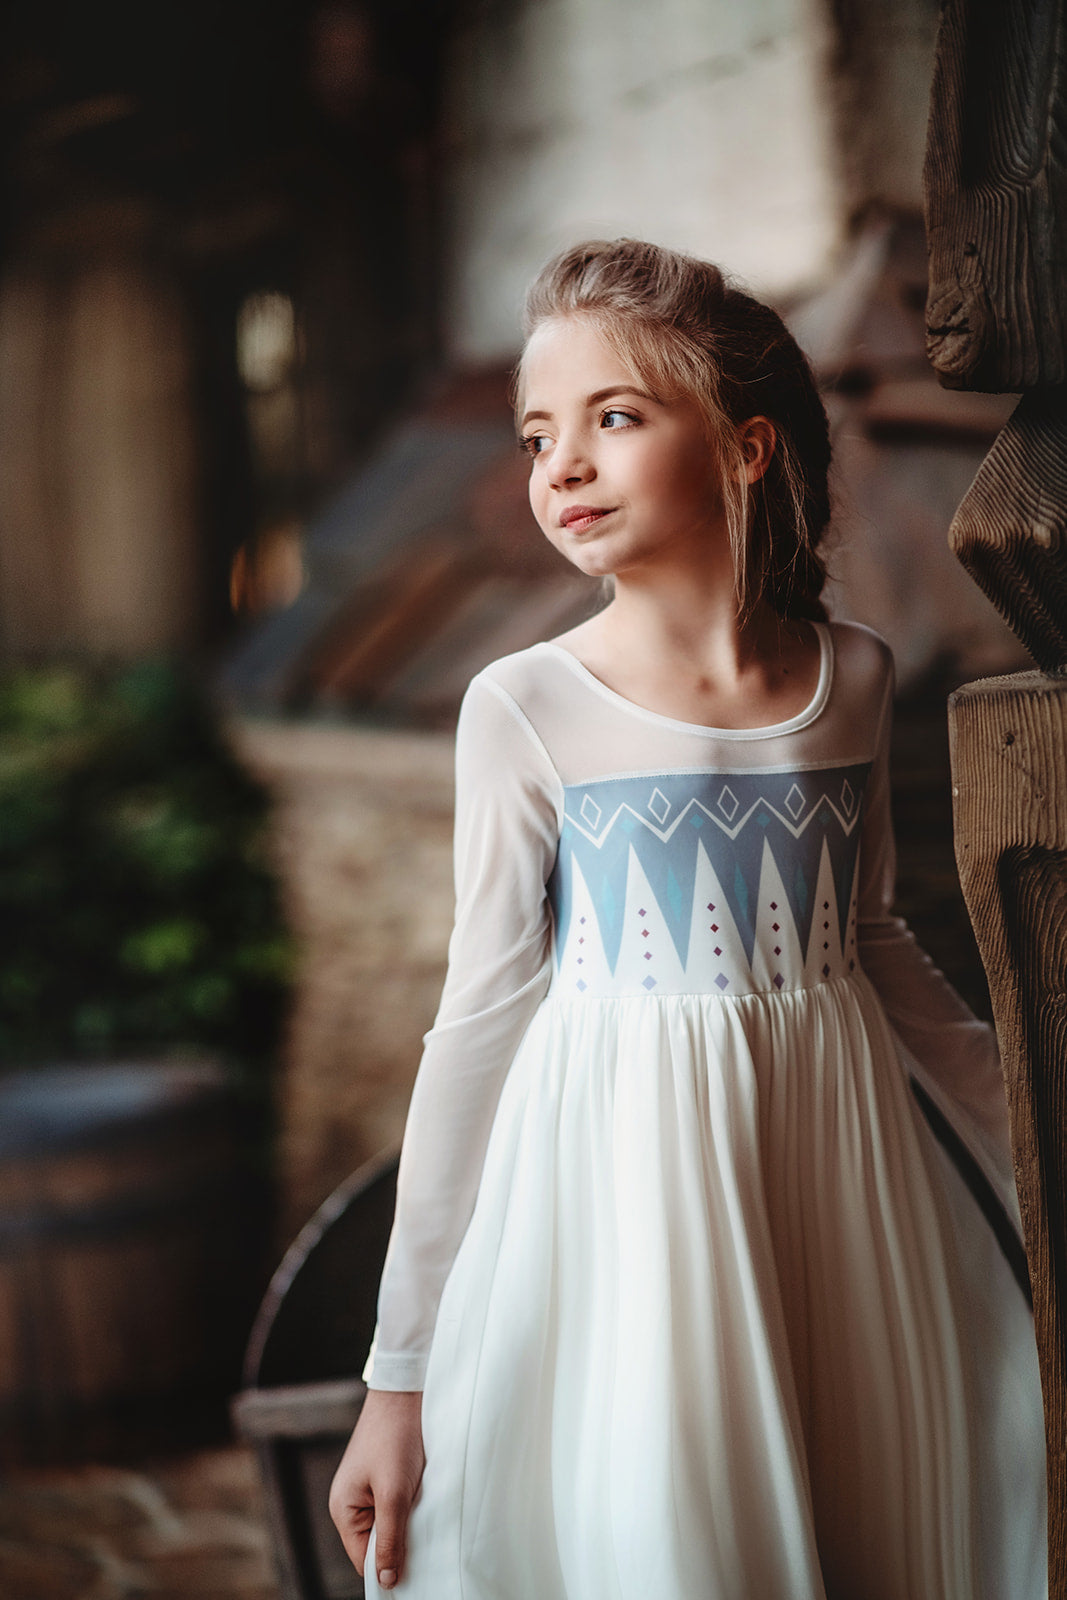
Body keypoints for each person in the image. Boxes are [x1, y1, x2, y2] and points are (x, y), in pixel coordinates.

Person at [329, 238, 1047, 1599]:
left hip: (835, 1182)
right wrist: (397, 1380)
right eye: (538, 433)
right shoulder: (529, 707)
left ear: (747, 447)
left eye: (614, 417)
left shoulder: (854, 678)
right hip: (625, 1206)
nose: (562, 467)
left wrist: (1034, 1152)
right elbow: (477, 1028)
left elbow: (877, 943)